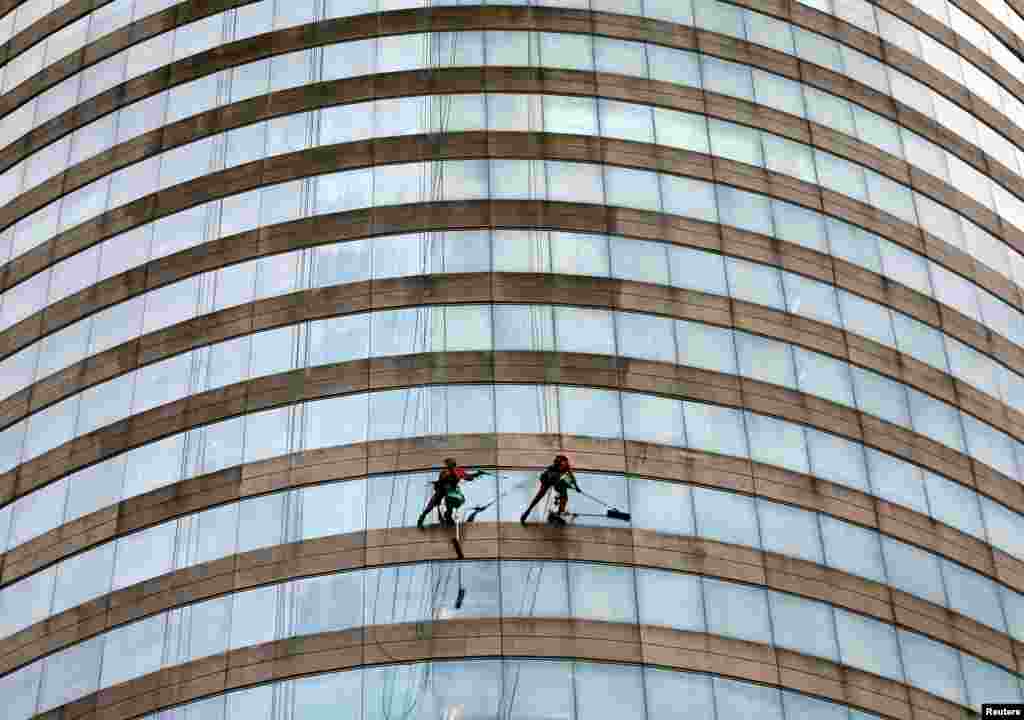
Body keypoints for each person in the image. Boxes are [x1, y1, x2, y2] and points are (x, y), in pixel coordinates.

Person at [418, 458, 487, 529]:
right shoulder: (444, 472)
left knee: (449, 504)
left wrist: (477, 474)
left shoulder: (458, 471)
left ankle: (448, 516)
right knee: (431, 505)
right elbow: (441, 481)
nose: (448, 466)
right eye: (447, 464)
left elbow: (468, 477)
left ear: (452, 464)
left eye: (449, 464)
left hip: (451, 491)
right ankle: (421, 519)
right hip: (442, 490)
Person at [520, 455, 579, 525]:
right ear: (558, 464)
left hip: (556, 480)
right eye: (561, 465)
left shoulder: (566, 466)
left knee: (564, 494)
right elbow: (557, 481)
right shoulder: (551, 469)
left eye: (565, 464)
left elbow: (571, 477)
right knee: (539, 496)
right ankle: (527, 512)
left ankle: (560, 513)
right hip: (546, 480)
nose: (564, 466)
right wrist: (570, 485)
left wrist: (576, 487)